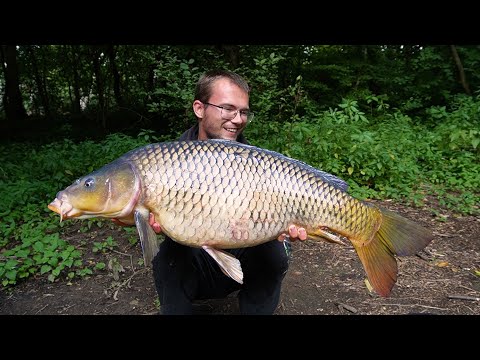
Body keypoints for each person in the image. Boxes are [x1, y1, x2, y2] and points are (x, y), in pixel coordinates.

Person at [152, 69, 307, 315]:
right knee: (167, 260)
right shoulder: (169, 162)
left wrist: (285, 226)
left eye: (243, 112)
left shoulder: (256, 163)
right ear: (199, 109)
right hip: (199, 260)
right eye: (227, 108)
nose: (237, 119)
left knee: (276, 252)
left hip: (245, 250)